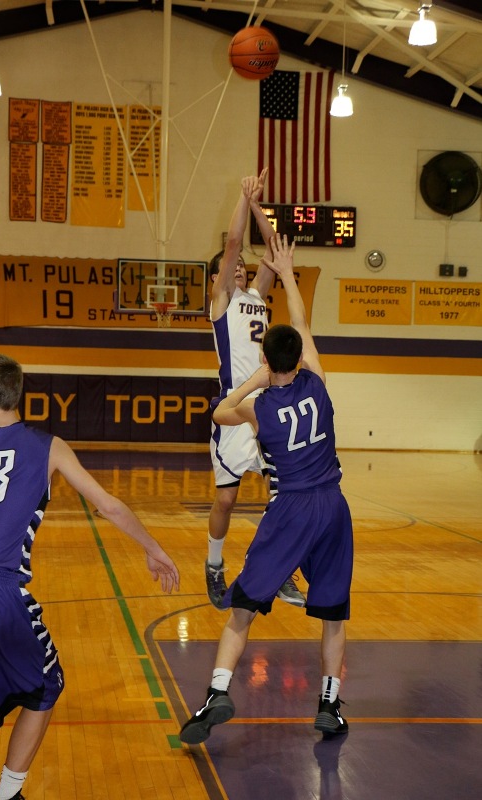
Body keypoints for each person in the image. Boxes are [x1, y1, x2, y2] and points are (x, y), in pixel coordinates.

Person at [0, 354, 180, 800]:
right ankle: (7, 793)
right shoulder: (48, 446)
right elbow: (108, 505)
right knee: (47, 684)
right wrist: (153, 548)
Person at [180, 234, 353, 745]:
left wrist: (254, 381)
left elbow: (219, 413)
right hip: (333, 506)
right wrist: (287, 273)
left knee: (243, 607)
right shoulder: (318, 382)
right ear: (299, 356)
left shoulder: (259, 410)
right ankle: (328, 704)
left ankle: (217, 692)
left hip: (291, 508)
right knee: (333, 613)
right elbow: (300, 322)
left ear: (265, 356)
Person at [206, 169, 305, 610]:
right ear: (219, 278)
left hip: (266, 403)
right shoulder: (221, 302)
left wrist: (258, 203)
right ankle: (214, 564)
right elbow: (233, 243)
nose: (241, 266)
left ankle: (278, 569)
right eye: (233, 267)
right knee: (226, 499)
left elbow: (272, 249)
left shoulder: (258, 297)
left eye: (244, 266)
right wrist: (242, 200)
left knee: (282, 494)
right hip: (234, 405)